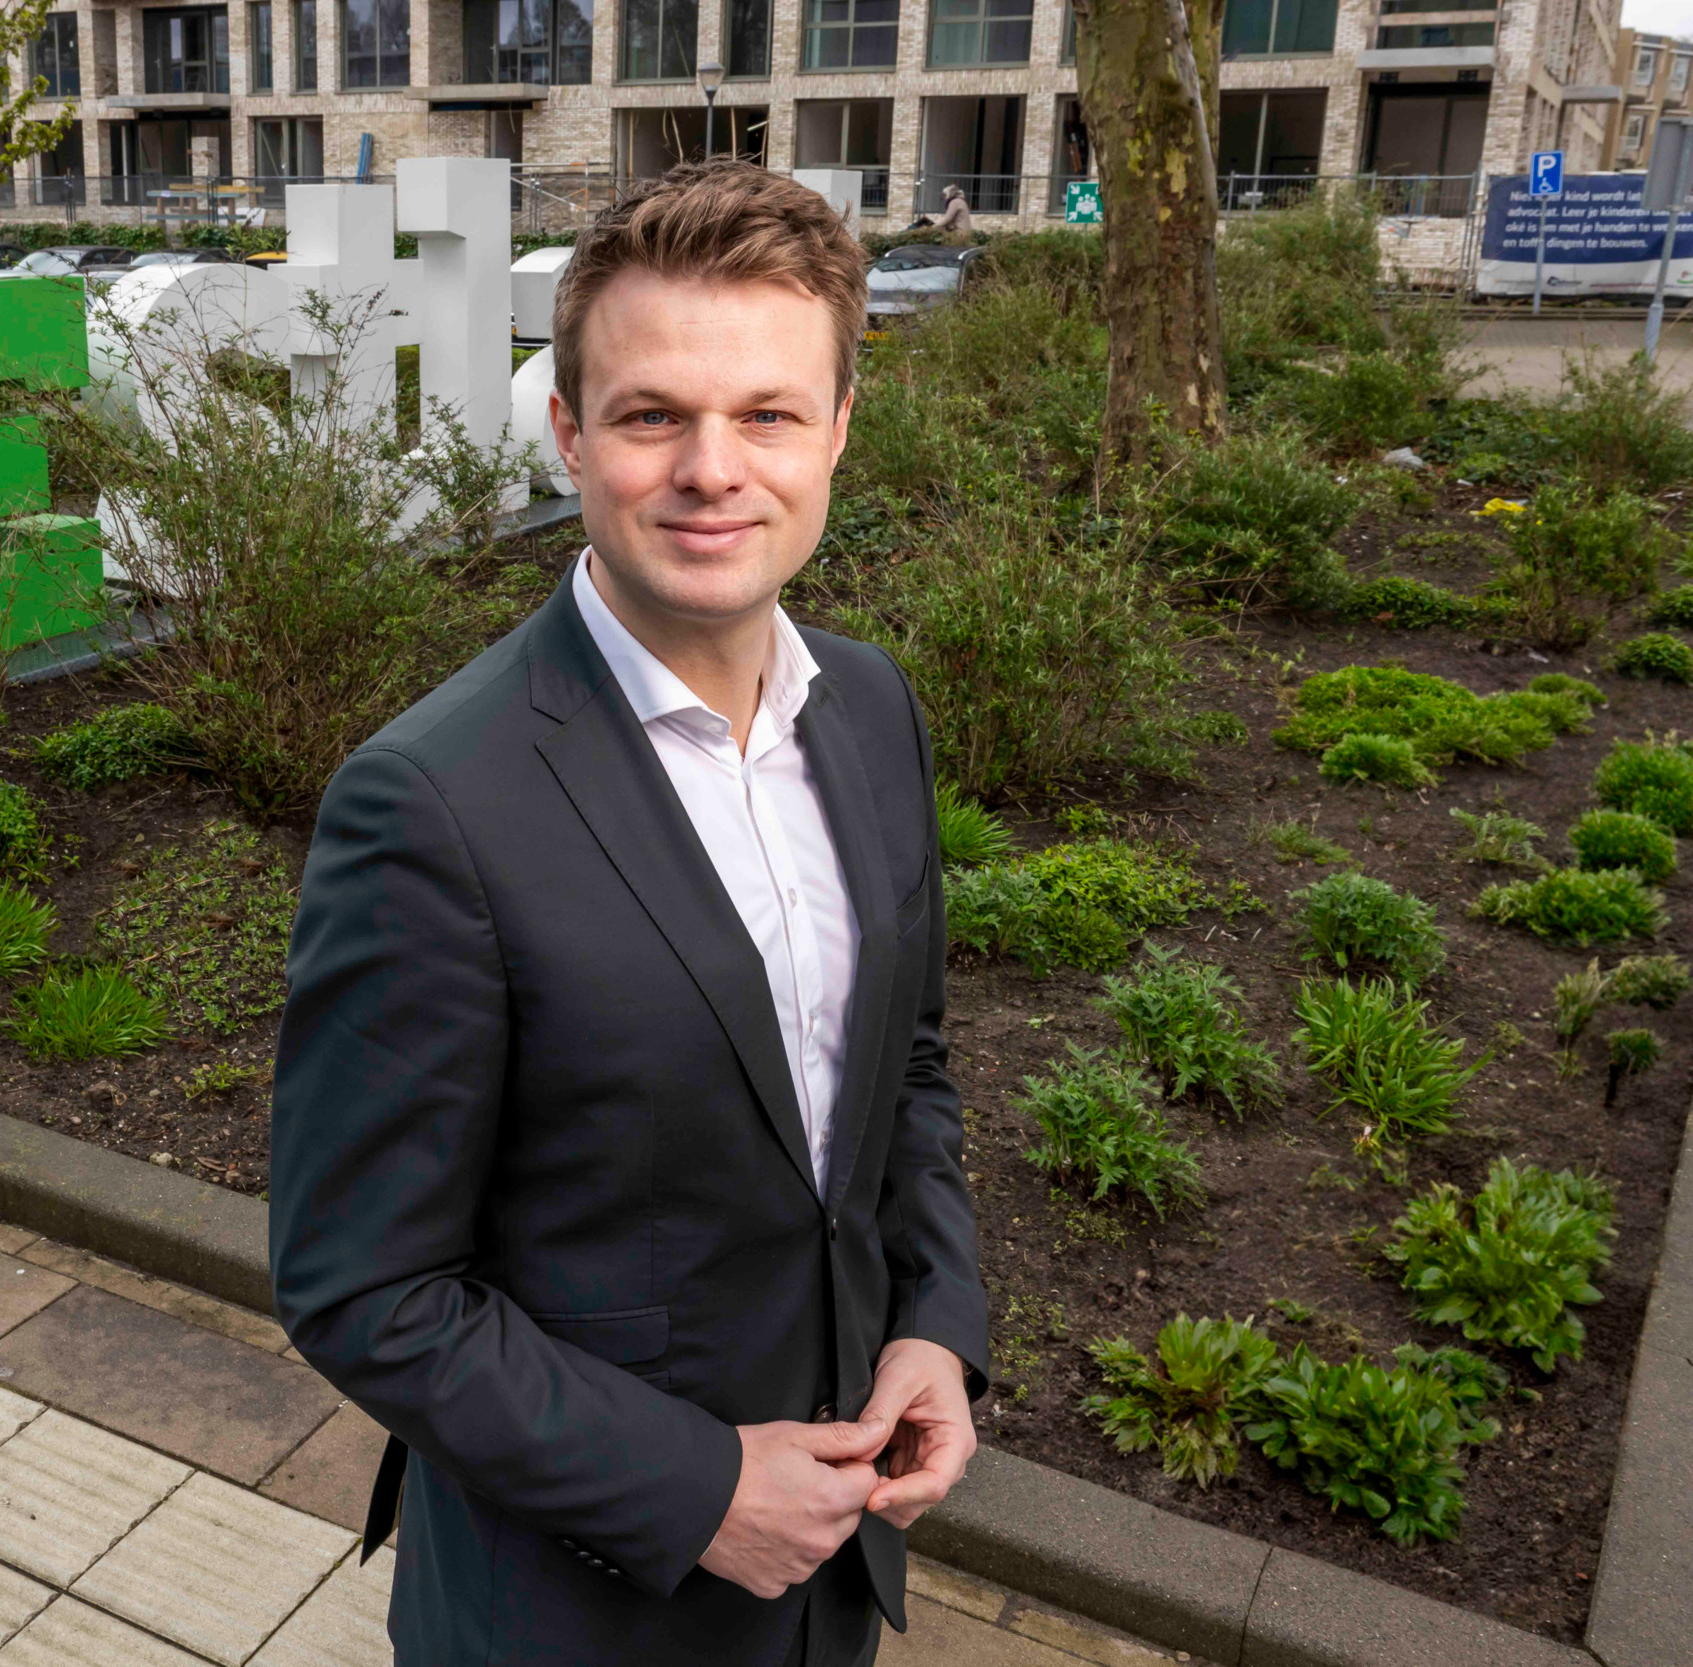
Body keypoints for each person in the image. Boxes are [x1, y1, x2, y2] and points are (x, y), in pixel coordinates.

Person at [269, 159, 989, 1667]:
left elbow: (903, 1074)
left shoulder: (871, 707)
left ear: (839, 430)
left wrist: (936, 1320)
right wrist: (703, 1485)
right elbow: (366, 1288)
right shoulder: (431, 804)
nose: (712, 469)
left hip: (831, 1580)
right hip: (576, 1611)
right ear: (570, 436)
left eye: (769, 415)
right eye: (655, 414)